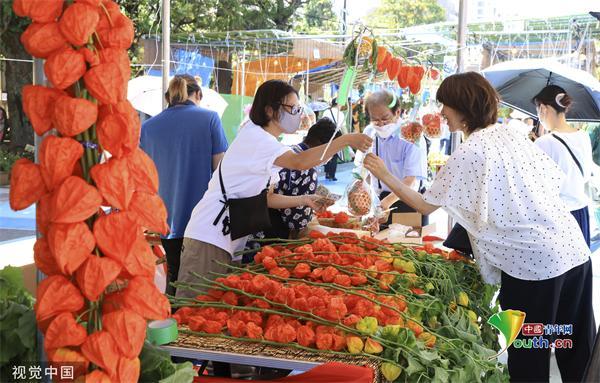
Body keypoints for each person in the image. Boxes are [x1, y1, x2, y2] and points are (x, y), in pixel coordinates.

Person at [364, 72, 595, 383]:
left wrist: (384, 174)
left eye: (445, 104)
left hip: (533, 266)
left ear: (462, 105)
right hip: (572, 251)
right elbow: (548, 183)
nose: (442, 112)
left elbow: (425, 206)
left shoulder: (470, 151)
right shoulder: (511, 134)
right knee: (573, 345)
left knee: (529, 353)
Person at [177, 79, 371, 297]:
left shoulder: (264, 140)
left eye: (299, 109)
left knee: (209, 307)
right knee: (194, 307)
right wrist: (344, 140)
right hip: (209, 236)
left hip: (227, 238)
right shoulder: (258, 138)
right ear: (270, 110)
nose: (298, 114)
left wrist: (305, 199)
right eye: (293, 108)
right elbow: (300, 162)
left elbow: (266, 197)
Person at [140, 74, 228, 296]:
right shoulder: (210, 118)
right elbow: (220, 170)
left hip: (164, 217)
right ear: (198, 94)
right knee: (201, 282)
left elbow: (143, 174)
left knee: (175, 276)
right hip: (203, 217)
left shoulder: (148, 127)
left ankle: (172, 322)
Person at [533, 85, 594, 247]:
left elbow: (538, 186)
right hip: (581, 211)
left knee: (559, 271)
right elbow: (586, 175)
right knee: (578, 269)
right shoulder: (583, 136)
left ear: (544, 108)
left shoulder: (543, 142)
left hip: (557, 217)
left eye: (537, 110)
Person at [266, 117, 341, 239]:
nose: (331, 158)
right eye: (332, 152)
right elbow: (297, 222)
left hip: (254, 228)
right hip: (276, 235)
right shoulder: (307, 169)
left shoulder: (286, 152)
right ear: (323, 147)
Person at [363, 89, 426, 227]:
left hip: (408, 202)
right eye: (375, 119)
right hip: (380, 201)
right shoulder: (370, 132)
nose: (380, 124)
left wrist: (386, 203)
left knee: (405, 245)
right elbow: (366, 170)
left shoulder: (411, 135)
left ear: (397, 112)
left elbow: (410, 180)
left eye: (385, 118)